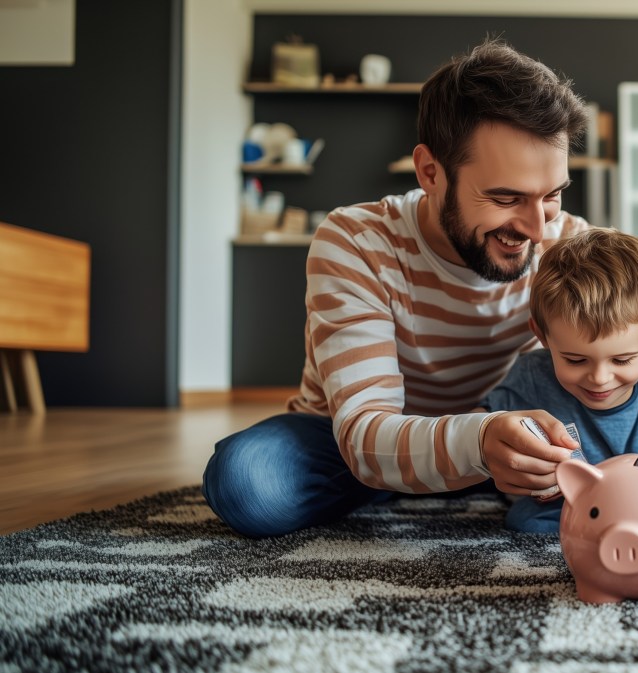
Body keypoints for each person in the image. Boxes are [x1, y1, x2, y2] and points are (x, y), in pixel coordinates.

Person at [203, 39, 594, 538]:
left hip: (502, 428)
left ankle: (484, 471)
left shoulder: (569, 245)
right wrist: (478, 443)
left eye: (552, 195)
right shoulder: (356, 242)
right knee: (248, 482)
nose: (537, 229)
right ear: (431, 172)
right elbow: (365, 432)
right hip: (353, 440)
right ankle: (458, 473)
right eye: (505, 197)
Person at [476, 228, 638, 533]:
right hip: (566, 502)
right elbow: (480, 428)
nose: (599, 379)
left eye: (622, 360)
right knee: (524, 520)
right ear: (542, 335)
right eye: (575, 360)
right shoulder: (532, 375)